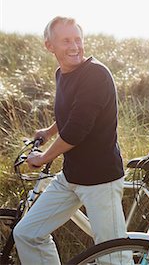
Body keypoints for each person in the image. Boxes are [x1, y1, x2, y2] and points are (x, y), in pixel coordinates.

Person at [13, 16, 128, 265]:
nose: (75, 46)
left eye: (77, 39)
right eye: (66, 41)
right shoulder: (62, 73)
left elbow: (77, 129)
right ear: (49, 46)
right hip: (72, 176)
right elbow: (72, 114)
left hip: (101, 179)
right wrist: (50, 131)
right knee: (27, 234)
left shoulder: (95, 75)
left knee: (114, 258)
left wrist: (43, 157)